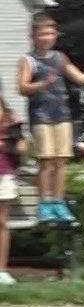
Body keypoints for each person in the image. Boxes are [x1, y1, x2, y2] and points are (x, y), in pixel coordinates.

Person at [18, 12, 84, 224]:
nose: (47, 37)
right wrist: (42, 85)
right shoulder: (29, 60)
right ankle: (44, 204)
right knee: (46, 160)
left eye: (51, 33)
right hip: (41, 116)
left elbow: (79, 77)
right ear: (33, 35)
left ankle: (59, 202)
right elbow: (22, 87)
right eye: (43, 34)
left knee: (60, 161)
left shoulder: (60, 58)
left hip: (62, 115)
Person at [0, 96, 18, 284]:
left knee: (2, 223)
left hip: (3, 176)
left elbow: (21, 147)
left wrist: (14, 140)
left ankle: (2, 270)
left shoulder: (9, 126)